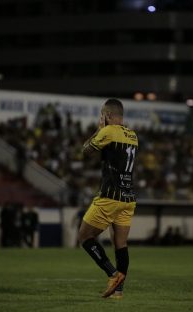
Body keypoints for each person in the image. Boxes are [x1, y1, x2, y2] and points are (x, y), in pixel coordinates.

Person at [78, 99, 138, 299]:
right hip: (128, 198)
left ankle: (113, 275)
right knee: (120, 243)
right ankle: (118, 292)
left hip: (110, 196)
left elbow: (85, 151)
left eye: (103, 115)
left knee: (85, 236)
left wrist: (98, 129)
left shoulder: (108, 131)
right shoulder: (133, 135)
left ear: (108, 115)